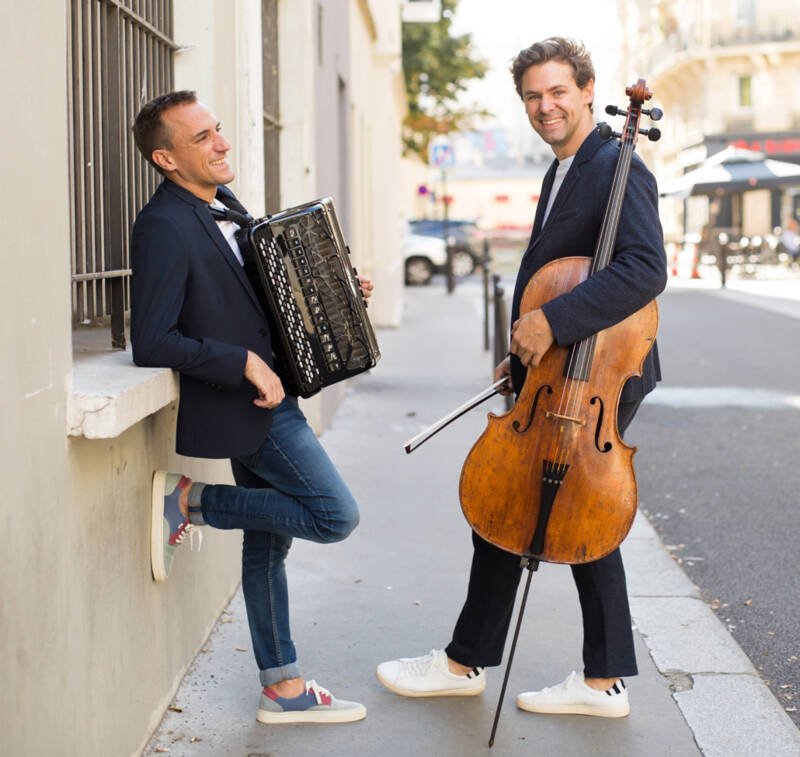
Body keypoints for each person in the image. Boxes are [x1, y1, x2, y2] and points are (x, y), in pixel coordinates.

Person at [377, 37, 667, 718]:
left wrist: (552, 324)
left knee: (545, 504)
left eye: (558, 91)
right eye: (533, 96)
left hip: (601, 369)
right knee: (557, 503)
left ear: (588, 89)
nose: (545, 106)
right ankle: (596, 678)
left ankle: (469, 662)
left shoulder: (616, 164)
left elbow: (643, 269)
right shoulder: (564, 168)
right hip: (560, 371)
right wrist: (527, 352)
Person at [130, 90, 372, 725]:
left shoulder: (224, 206)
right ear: (166, 159)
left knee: (267, 547)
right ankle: (190, 501)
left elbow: (251, 294)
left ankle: (282, 688)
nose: (222, 143)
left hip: (274, 394)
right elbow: (152, 341)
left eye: (218, 130)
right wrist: (240, 362)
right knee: (332, 515)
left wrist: (338, 289)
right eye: (202, 137)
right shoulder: (163, 225)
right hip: (249, 408)